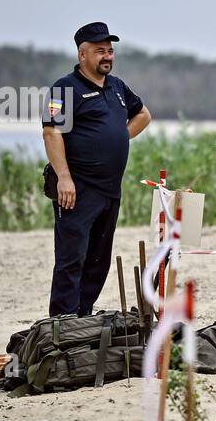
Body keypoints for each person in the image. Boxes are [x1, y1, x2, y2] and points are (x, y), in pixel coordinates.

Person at [43, 21, 151, 317]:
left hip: (109, 191)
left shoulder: (117, 87)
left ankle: (83, 317)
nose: (107, 57)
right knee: (71, 260)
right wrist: (64, 178)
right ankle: (62, 325)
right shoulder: (65, 88)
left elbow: (143, 115)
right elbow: (52, 133)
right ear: (82, 54)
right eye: (100, 51)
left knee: (98, 261)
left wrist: (118, 135)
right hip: (77, 189)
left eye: (110, 51)